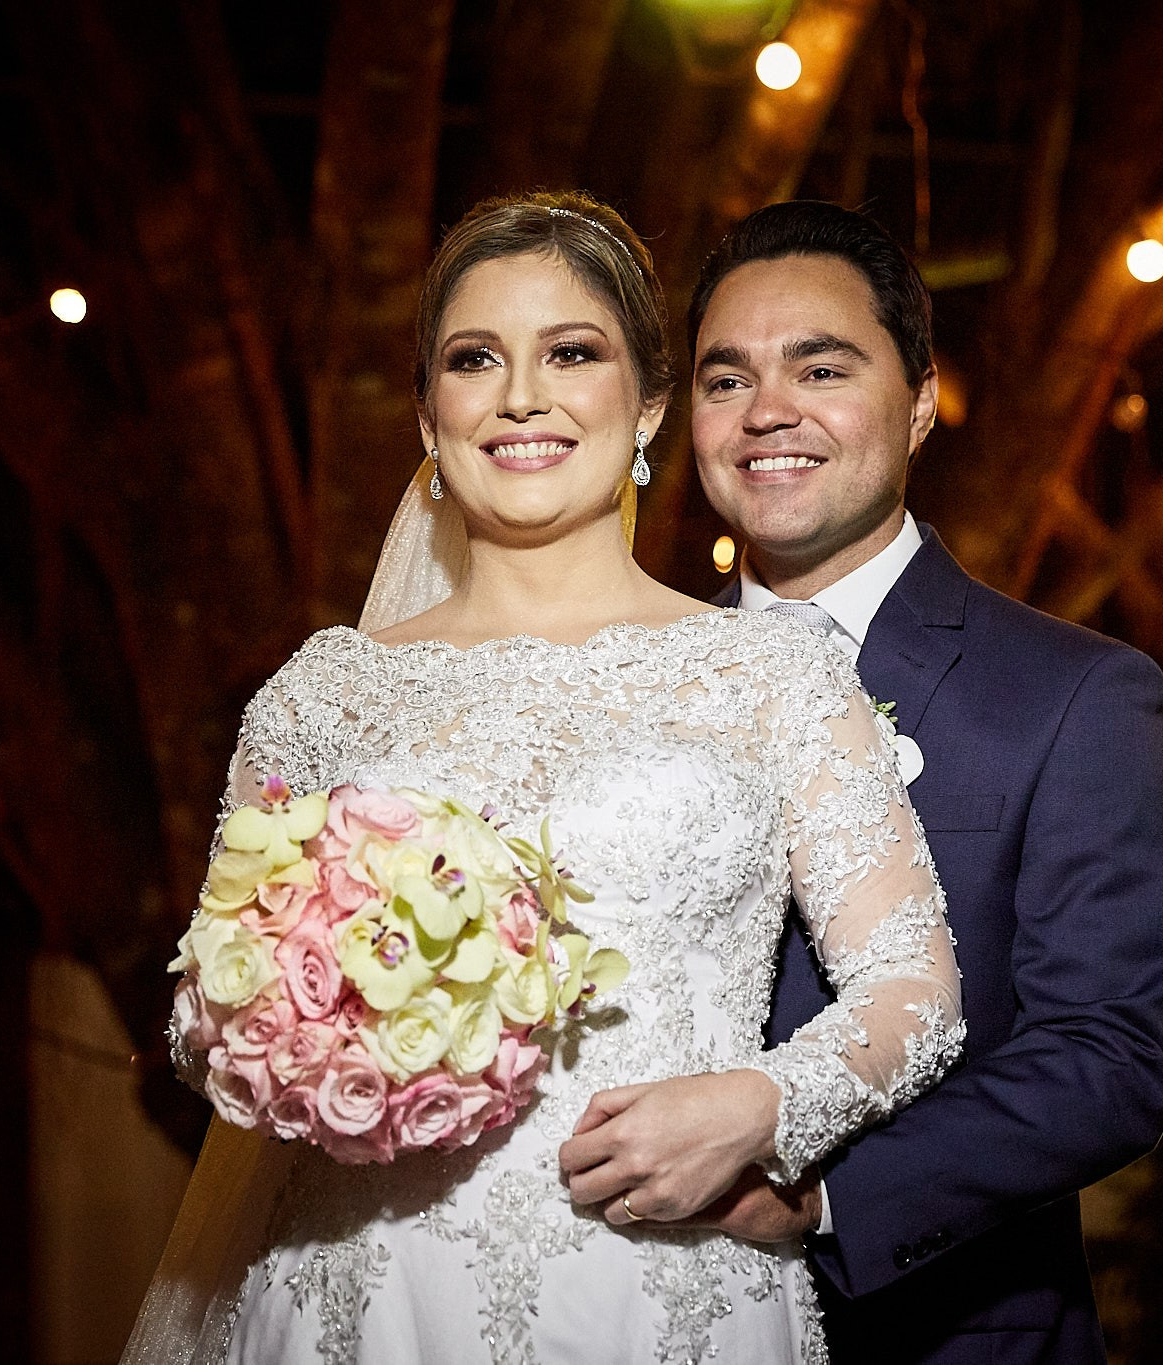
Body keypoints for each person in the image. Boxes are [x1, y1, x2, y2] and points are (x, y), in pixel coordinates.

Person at [119, 190, 963, 1365]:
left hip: (663, 1276)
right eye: (476, 360)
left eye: (572, 353)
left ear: (648, 407)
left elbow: (910, 993)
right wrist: (302, 1037)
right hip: (360, 1285)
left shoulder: (770, 673)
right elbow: (204, 1014)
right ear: (428, 416)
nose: (522, 395)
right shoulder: (322, 695)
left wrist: (757, 1107)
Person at [685, 200, 1163, 1365]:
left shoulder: (1073, 696)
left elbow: (1110, 1055)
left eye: (820, 368)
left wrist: (827, 1198)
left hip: (943, 1334)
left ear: (918, 402)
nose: (767, 412)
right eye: (727, 380)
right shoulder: (624, 685)